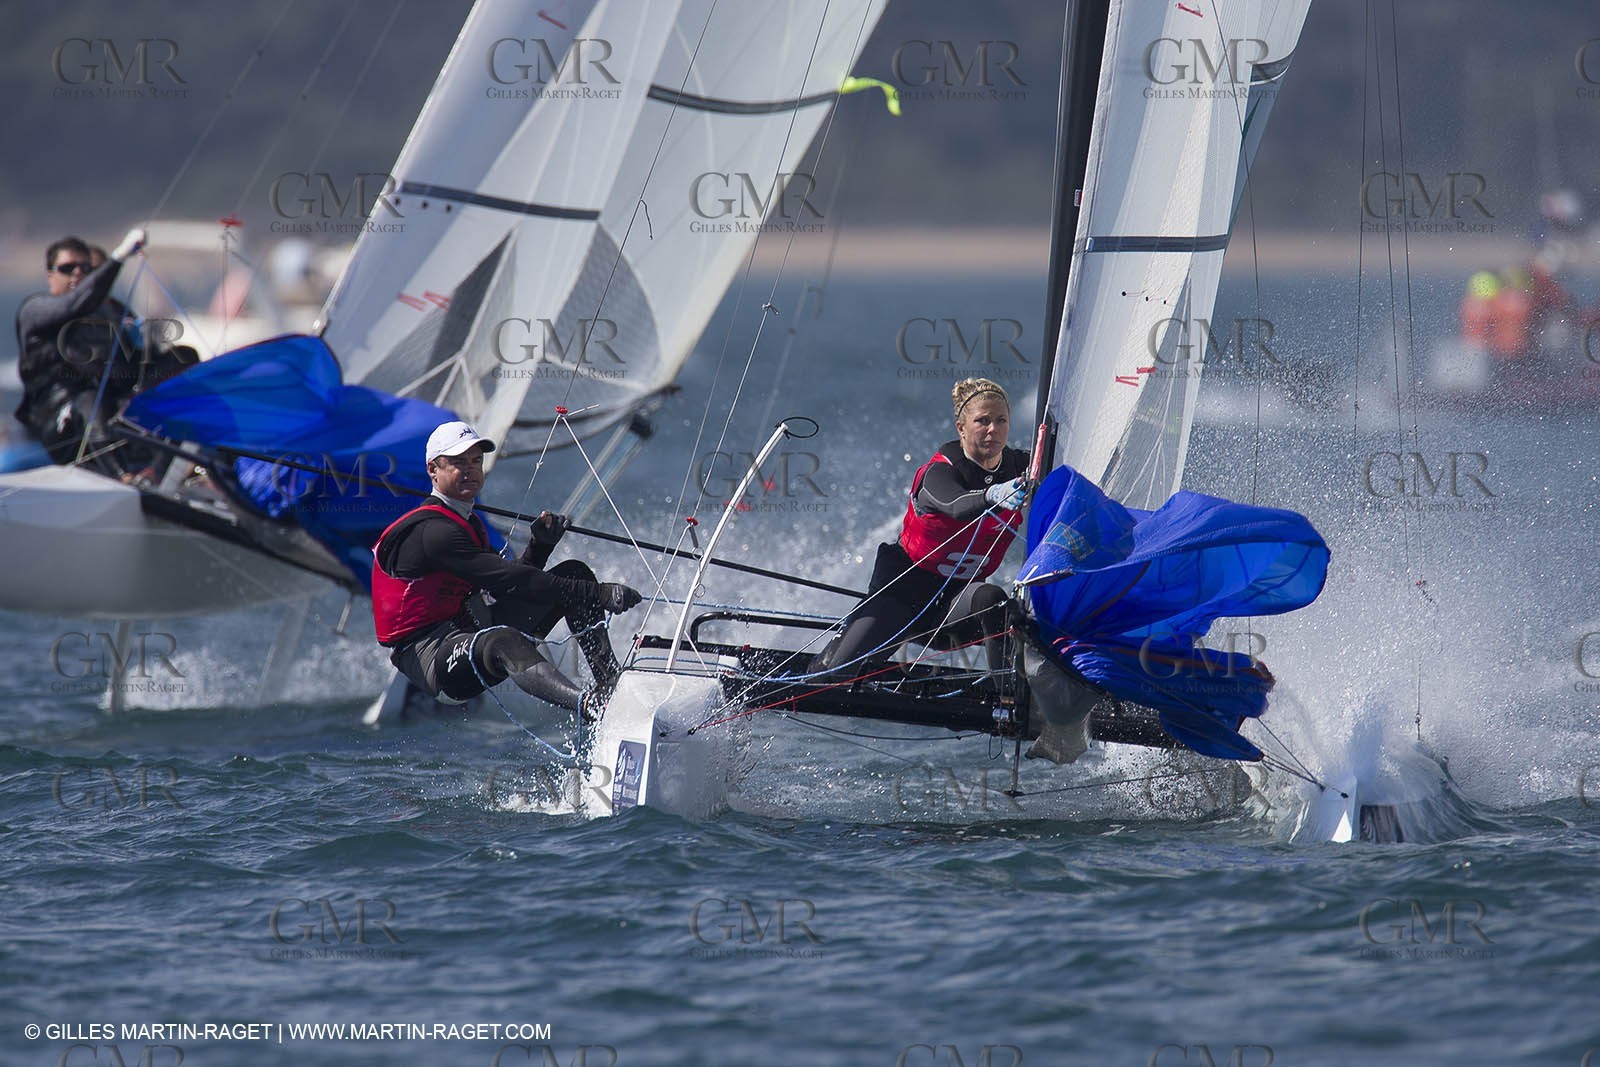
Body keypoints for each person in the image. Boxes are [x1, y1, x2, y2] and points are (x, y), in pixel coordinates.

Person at [371, 420, 643, 717]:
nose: (470, 469)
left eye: (476, 461)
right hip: (432, 656)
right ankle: (590, 708)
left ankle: (609, 685)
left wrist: (540, 546)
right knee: (504, 639)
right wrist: (600, 593)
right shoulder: (434, 532)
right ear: (432, 470)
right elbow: (509, 579)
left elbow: (501, 589)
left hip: (471, 629)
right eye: (458, 462)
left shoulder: (465, 523)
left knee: (573, 574)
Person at [810, 377, 1030, 678]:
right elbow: (956, 504)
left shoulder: (1022, 469)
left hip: (952, 609)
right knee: (833, 676)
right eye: (982, 421)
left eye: (1001, 420)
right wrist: (992, 495)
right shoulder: (941, 473)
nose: (993, 429)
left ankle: (1009, 702)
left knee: (994, 602)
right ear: (961, 428)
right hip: (902, 596)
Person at [14, 229, 146, 464]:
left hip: (103, 411)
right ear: (50, 275)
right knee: (90, 397)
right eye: (67, 268)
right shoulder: (35, 309)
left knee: (182, 358)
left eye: (85, 269)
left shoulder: (111, 312)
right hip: (54, 419)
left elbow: (133, 369)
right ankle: (119, 476)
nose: (76, 274)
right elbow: (74, 305)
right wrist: (119, 257)